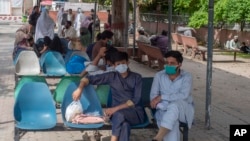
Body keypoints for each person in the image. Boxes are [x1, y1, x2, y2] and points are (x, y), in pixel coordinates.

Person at [72, 51, 145, 141]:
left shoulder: (137, 77)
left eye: (123, 63)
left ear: (128, 63)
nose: (121, 65)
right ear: (114, 66)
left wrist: (115, 109)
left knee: (119, 114)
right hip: (116, 115)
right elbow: (87, 78)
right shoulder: (112, 76)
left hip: (135, 113)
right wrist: (80, 89)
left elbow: (135, 100)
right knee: (125, 125)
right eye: (118, 64)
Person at [150, 51, 194, 141]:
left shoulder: (187, 76)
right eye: (167, 63)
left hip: (183, 110)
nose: (168, 65)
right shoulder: (159, 76)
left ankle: (158, 137)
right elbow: (153, 97)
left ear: (179, 64)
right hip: (163, 110)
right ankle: (159, 138)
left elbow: (183, 96)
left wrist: (162, 97)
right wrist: (159, 103)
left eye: (172, 63)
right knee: (173, 124)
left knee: (174, 106)